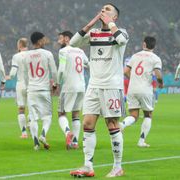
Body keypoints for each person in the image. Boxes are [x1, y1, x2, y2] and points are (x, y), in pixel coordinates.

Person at [69, 3, 128, 178]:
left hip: (112, 85)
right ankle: (88, 166)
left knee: (112, 124)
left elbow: (122, 41)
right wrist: (91, 22)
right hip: (93, 86)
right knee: (87, 124)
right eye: (102, 9)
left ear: (115, 16)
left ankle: (118, 166)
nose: (104, 11)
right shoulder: (93, 33)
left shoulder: (121, 31)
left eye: (108, 9)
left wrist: (110, 23)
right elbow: (73, 43)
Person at [120, 36, 163, 147]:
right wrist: (161, 83)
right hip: (145, 89)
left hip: (132, 89)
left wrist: (133, 79)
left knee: (134, 115)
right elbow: (158, 73)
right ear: (154, 46)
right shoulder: (155, 58)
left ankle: (122, 124)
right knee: (148, 115)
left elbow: (125, 71)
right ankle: (141, 141)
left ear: (144, 44)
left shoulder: (135, 56)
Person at [23, 32, 58, 150]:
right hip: (43, 90)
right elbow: (54, 71)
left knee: (33, 117)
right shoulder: (47, 54)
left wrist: (28, 86)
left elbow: (25, 75)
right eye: (43, 39)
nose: (45, 41)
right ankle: (43, 134)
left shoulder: (26, 55)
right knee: (47, 116)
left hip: (31, 90)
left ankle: (36, 143)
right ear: (38, 41)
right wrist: (55, 84)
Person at [57, 31, 88, 150]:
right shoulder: (80, 51)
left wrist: (58, 83)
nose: (59, 41)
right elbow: (88, 64)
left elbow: (61, 70)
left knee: (61, 113)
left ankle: (67, 133)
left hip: (69, 86)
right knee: (76, 114)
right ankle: (75, 142)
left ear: (66, 39)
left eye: (60, 38)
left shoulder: (63, 51)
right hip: (81, 86)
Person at [6, 38, 29, 139]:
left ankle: (24, 132)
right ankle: (31, 125)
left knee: (21, 109)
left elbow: (13, 73)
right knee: (32, 109)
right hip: (32, 85)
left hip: (21, 84)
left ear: (19, 45)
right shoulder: (32, 54)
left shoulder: (16, 56)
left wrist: (8, 77)